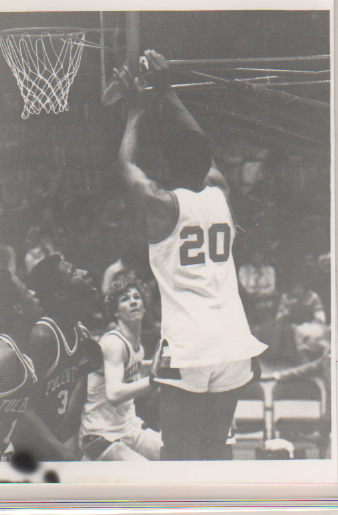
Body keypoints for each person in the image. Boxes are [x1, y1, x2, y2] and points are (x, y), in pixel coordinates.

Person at [114, 50, 267, 460]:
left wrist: (135, 112)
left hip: (190, 346)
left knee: (180, 457)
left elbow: (126, 166)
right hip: (233, 341)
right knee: (215, 451)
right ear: (205, 166)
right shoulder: (221, 193)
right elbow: (201, 150)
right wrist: (168, 92)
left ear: (166, 166)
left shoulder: (162, 205)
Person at [20, 255, 104, 461]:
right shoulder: (42, 336)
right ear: (60, 293)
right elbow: (23, 409)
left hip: (54, 442)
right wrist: (62, 452)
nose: (85, 273)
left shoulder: (80, 332)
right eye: (74, 272)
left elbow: (60, 386)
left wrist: (87, 368)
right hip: (27, 449)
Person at [77, 274, 161, 460]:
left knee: (175, 456)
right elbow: (114, 394)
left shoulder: (138, 347)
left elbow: (134, 374)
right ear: (115, 312)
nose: (133, 302)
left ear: (144, 307)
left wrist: (156, 367)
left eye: (136, 297)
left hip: (130, 428)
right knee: (149, 473)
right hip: (100, 434)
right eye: (125, 299)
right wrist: (155, 379)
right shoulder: (113, 343)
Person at [0, 269, 44, 461]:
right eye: (26, 291)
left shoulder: (21, 354)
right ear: (18, 308)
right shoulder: (1, 354)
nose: (34, 293)